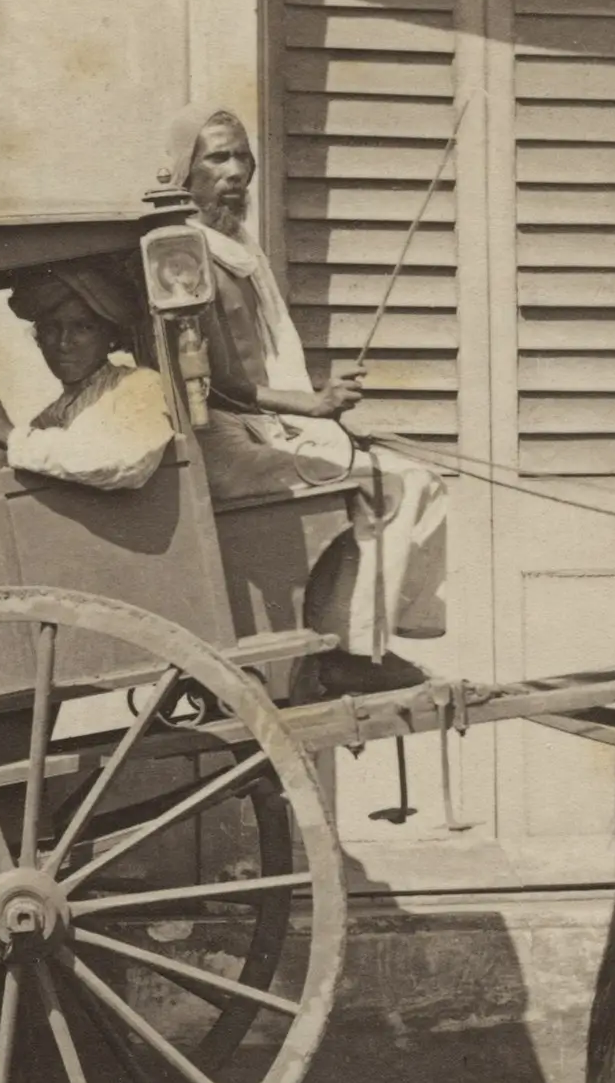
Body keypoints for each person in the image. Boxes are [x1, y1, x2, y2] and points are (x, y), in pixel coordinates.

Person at [153, 102, 449, 696]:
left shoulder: (242, 254)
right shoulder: (184, 256)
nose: (235, 171)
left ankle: (358, 638)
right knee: (388, 485)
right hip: (219, 442)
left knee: (418, 477)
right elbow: (210, 382)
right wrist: (310, 406)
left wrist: (315, 417)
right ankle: (348, 652)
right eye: (217, 158)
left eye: (242, 156)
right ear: (186, 173)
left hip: (265, 429)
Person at [0, 259, 178, 492]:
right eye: (51, 329)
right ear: (38, 339)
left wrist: (12, 437)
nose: (64, 343)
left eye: (83, 327)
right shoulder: (45, 420)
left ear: (111, 336)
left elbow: (127, 461)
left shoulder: (140, 385)